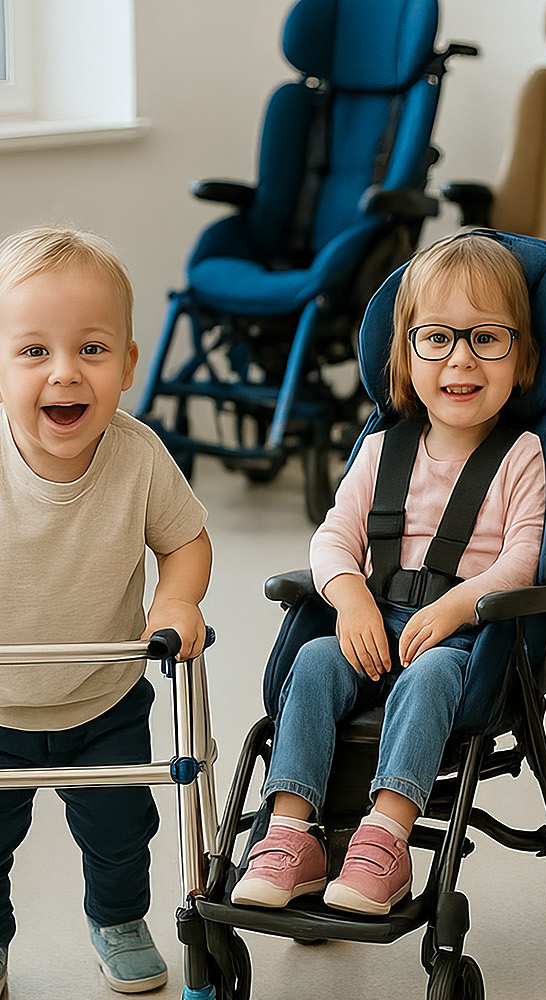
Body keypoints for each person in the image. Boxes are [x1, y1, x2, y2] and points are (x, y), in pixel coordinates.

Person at [231, 233, 546, 917]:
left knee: (432, 674)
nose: (461, 359)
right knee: (313, 661)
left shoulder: (523, 456)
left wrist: (458, 608)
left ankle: (387, 835)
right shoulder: (381, 450)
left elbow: (526, 557)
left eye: (486, 339)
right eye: (437, 339)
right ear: (405, 356)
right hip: (374, 623)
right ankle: (290, 830)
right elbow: (333, 540)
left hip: (468, 643)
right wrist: (349, 601)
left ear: (522, 357)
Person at [0, 227, 212, 993]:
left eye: (91, 349)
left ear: (126, 365)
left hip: (105, 697)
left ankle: (118, 919)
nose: (65, 373)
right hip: (0, 707)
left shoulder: (138, 454)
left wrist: (176, 598)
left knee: (122, 837)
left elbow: (186, 541)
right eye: (33, 352)